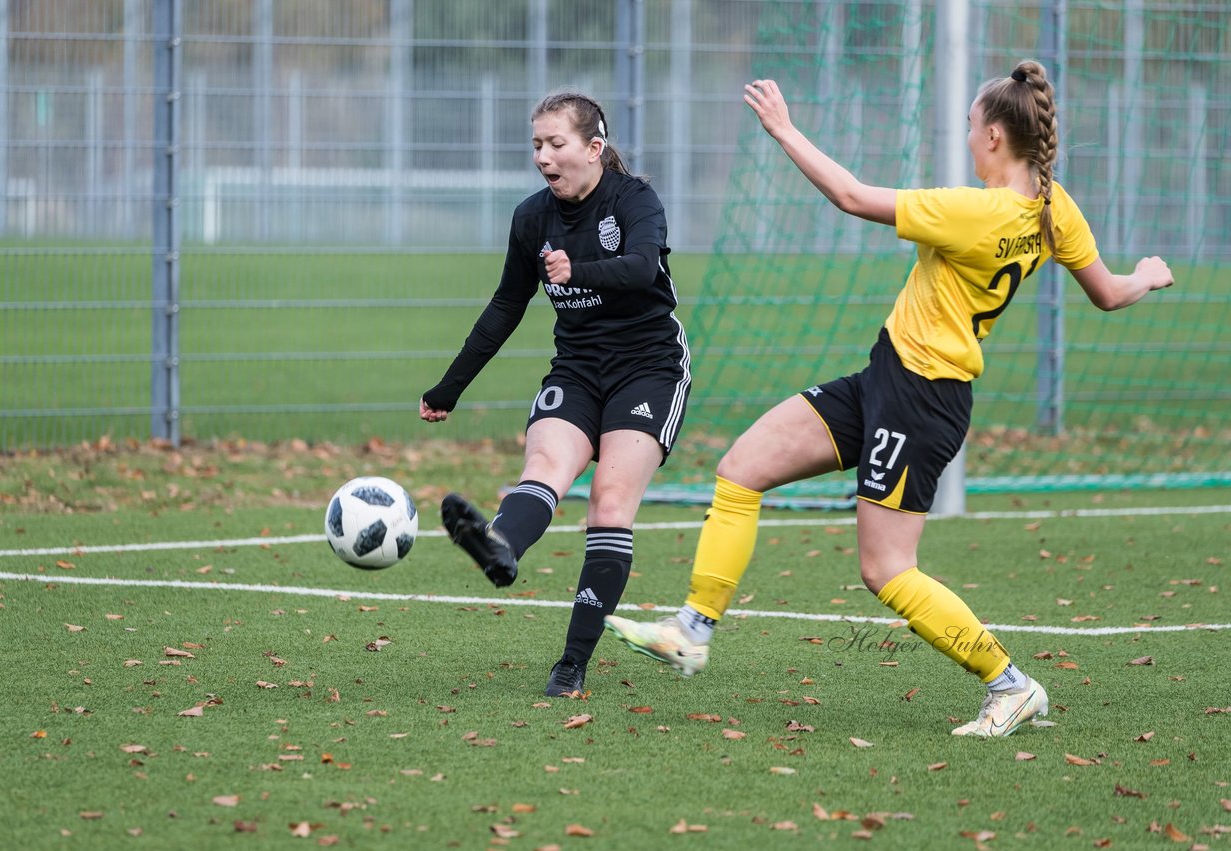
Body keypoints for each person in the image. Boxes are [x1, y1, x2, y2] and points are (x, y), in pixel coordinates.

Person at [605, 60, 1173, 737]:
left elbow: (850, 195)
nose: (965, 138)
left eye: (969, 127)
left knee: (887, 569)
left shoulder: (975, 212)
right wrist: (1146, 275)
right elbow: (1109, 292)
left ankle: (1011, 684)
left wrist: (784, 130)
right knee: (742, 467)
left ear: (994, 136)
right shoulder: (1054, 205)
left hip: (923, 401)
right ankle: (692, 630)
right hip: (888, 377)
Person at [420, 91, 692, 699]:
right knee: (543, 467)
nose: (544, 155)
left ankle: (571, 664)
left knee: (609, 505)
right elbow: (505, 308)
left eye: (556, 143)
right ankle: (499, 547)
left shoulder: (634, 198)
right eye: (537, 144)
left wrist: (579, 270)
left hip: (649, 369)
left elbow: (644, 268)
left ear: (594, 149)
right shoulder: (531, 218)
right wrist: (450, 388)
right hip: (578, 369)